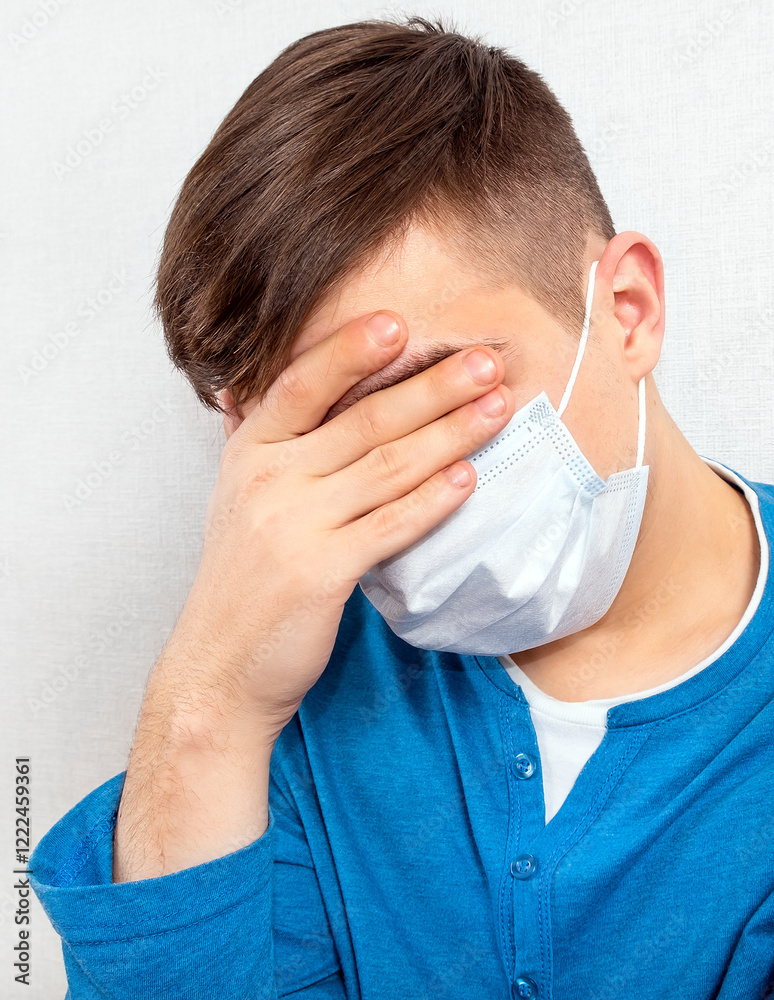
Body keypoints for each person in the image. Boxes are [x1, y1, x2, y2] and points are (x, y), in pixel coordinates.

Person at [30, 14, 774, 1000]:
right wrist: (212, 698)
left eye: (429, 397)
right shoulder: (291, 689)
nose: (391, 487)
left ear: (626, 310)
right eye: (322, 446)